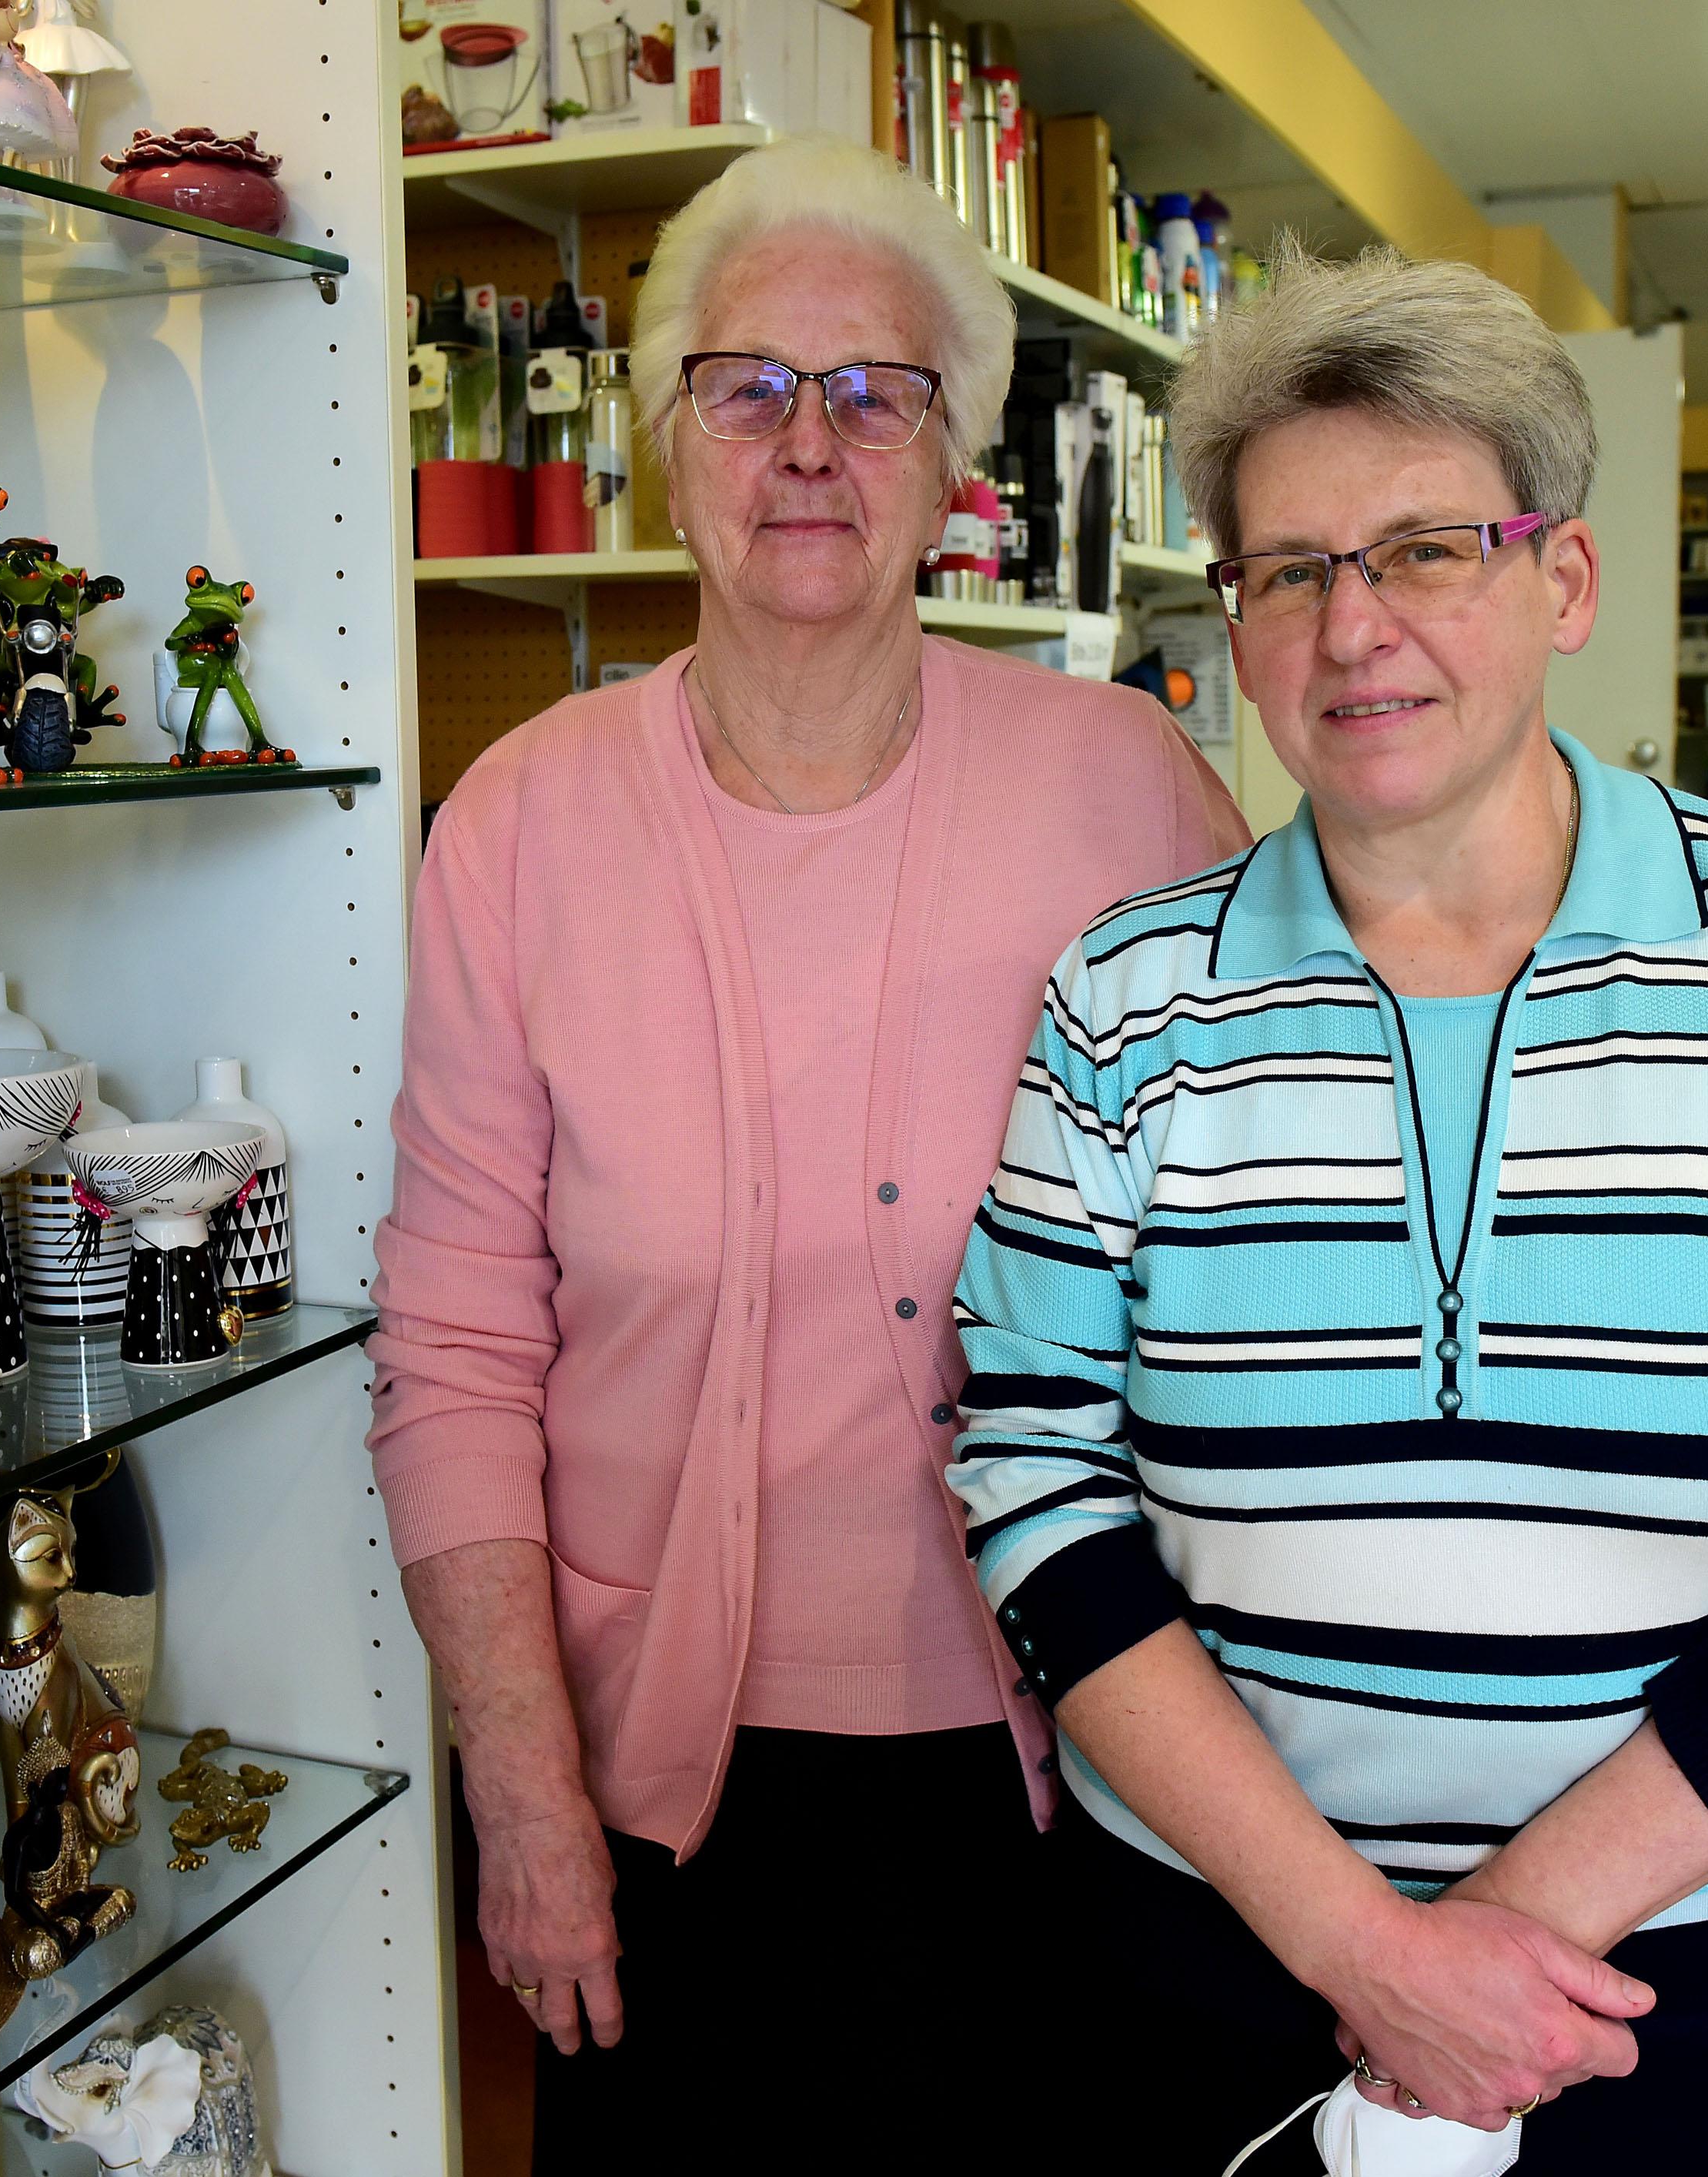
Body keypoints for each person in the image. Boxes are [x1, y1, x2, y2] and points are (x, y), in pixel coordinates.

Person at [946, 243, 1708, 2174]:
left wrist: (1502, 1941)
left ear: (1564, 578)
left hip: (1707, 1980)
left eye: (1425, 548)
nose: (1350, 625)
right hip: (1231, 1965)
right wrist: (1357, 1943)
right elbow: (1032, 1474)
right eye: (1287, 569)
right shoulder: (1123, 1000)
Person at [364, 136, 1248, 2164]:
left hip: (1079, 1761)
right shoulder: (520, 825)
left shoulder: (1125, 790)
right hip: (656, 1797)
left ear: (958, 467)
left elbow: (1283, 1224)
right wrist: (518, 1785)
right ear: (667, 442)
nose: (812, 444)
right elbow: (457, 1335)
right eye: (750, 383)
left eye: (880, 392)